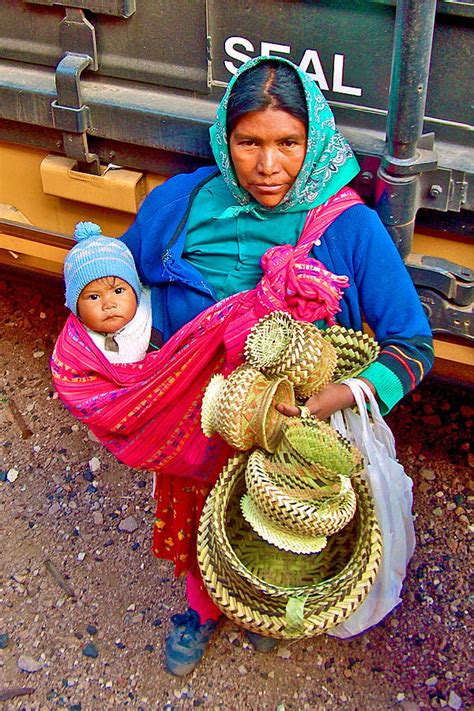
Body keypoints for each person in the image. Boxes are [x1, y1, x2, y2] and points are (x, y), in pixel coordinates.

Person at [53, 56, 434, 677]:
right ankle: (202, 609)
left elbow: (413, 349)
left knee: (272, 535)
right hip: (193, 423)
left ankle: (259, 603)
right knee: (198, 523)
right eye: (248, 142)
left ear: (315, 141)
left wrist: (324, 402)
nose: (267, 166)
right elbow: (120, 285)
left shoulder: (351, 230)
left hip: (284, 439)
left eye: (288, 143)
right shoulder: (180, 204)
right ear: (223, 142)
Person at [62, 221, 154, 363]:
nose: (108, 304)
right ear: (75, 307)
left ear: (136, 291)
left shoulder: (154, 317)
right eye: (94, 297)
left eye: (118, 291)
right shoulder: (74, 345)